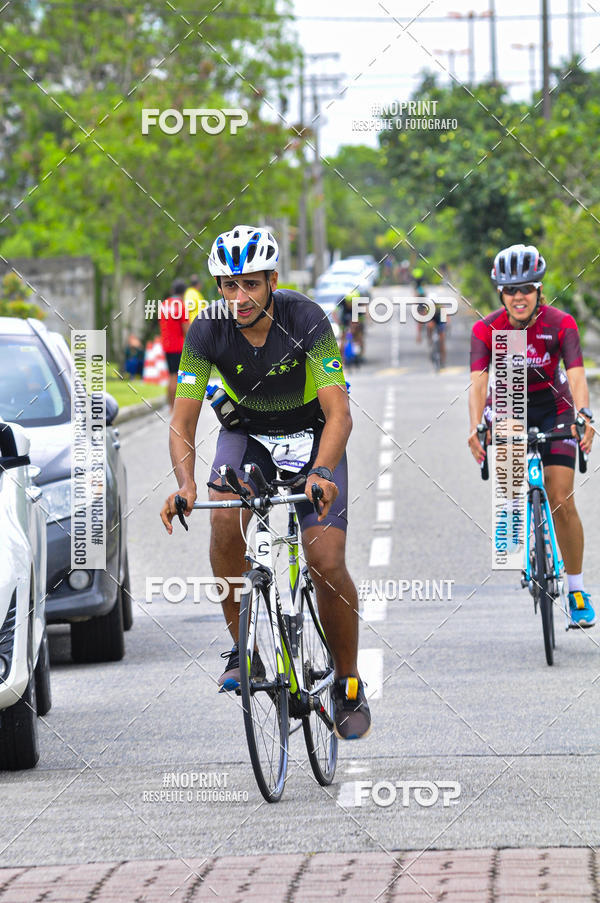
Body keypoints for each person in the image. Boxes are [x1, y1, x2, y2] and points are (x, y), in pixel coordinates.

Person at [160, 225, 371, 740]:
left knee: (325, 561)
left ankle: (347, 681)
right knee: (222, 513)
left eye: (250, 284)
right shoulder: (206, 330)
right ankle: (243, 648)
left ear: (273, 280)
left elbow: (339, 412)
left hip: (313, 436)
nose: (239, 298)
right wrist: (185, 484)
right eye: (228, 286)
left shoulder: (307, 319)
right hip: (248, 434)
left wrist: (322, 470)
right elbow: (182, 422)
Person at [468, 243, 595, 627]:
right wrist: (475, 426)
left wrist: (584, 414)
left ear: (540, 289)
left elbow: (575, 375)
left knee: (561, 499)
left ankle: (576, 588)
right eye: (510, 290)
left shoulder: (561, 324)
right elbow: (478, 382)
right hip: (507, 405)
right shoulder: (486, 329)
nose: (518, 296)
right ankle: (529, 539)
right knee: (510, 496)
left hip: (555, 410)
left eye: (526, 288)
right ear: (500, 294)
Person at [159, 278, 190, 411]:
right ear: (184, 293)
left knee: (171, 375)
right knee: (179, 376)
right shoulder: (181, 306)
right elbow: (186, 329)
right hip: (178, 346)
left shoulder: (164, 304)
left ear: (172, 291)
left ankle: (171, 406)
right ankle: (179, 407)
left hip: (166, 345)